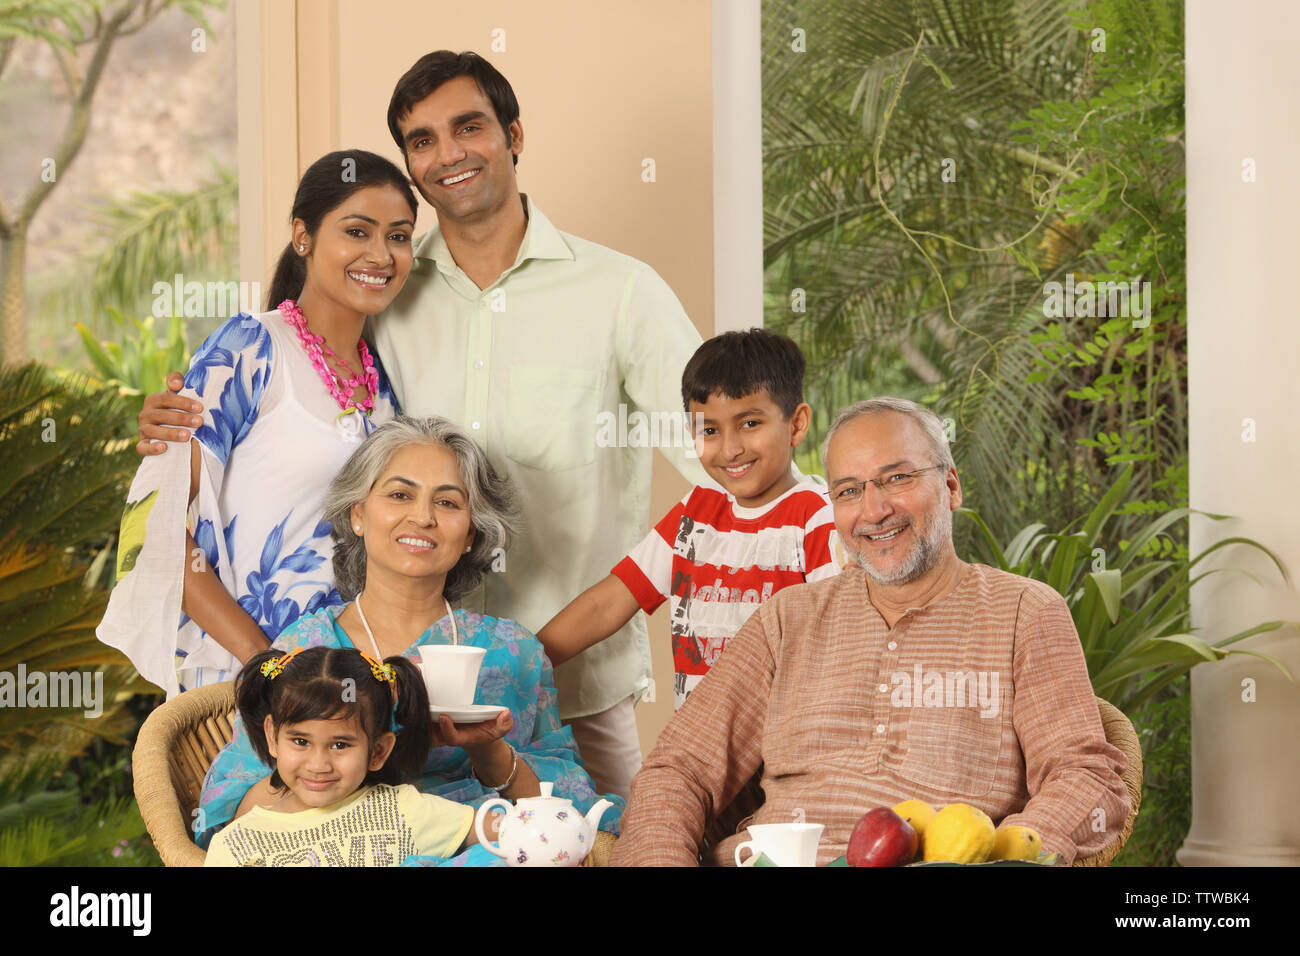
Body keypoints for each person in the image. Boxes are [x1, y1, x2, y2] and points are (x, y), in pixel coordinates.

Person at [133, 51, 707, 798]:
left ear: (514, 135)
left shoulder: (622, 292)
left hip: (565, 683)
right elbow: (173, 511)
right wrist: (167, 426)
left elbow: (726, 470)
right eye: (422, 140)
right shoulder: (384, 297)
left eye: (469, 127)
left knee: (619, 845)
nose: (448, 154)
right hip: (354, 696)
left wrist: (572, 630)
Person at [610, 397, 1131, 866]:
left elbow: (1082, 773)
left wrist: (1015, 853)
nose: (874, 510)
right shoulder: (787, 618)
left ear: (950, 485)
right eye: (850, 490)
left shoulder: (1025, 611)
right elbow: (678, 769)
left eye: (897, 479)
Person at [195, 416, 620, 865]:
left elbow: (566, 810)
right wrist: (355, 744)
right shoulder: (305, 647)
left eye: (448, 503)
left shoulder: (513, 653)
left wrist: (486, 750)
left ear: (470, 533)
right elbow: (231, 815)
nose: (423, 517)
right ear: (357, 514)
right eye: (400, 495)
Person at [98, 150, 414, 696]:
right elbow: (158, 522)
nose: (381, 255)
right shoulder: (249, 349)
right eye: (357, 232)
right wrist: (264, 664)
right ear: (303, 236)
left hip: (349, 691)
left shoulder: (386, 382)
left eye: (400, 236)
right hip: (243, 683)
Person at [538, 328, 841, 711]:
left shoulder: (818, 517)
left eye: (750, 424)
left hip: (785, 752)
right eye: (710, 431)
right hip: (698, 750)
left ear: (796, 424)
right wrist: (523, 662)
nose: (731, 449)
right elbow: (608, 603)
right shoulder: (695, 513)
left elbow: (841, 642)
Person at [204, 646, 499, 866]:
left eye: (340, 745)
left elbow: (509, 829)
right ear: (272, 737)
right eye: (300, 741)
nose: (318, 765)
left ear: (378, 751)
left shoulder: (402, 810)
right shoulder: (236, 845)